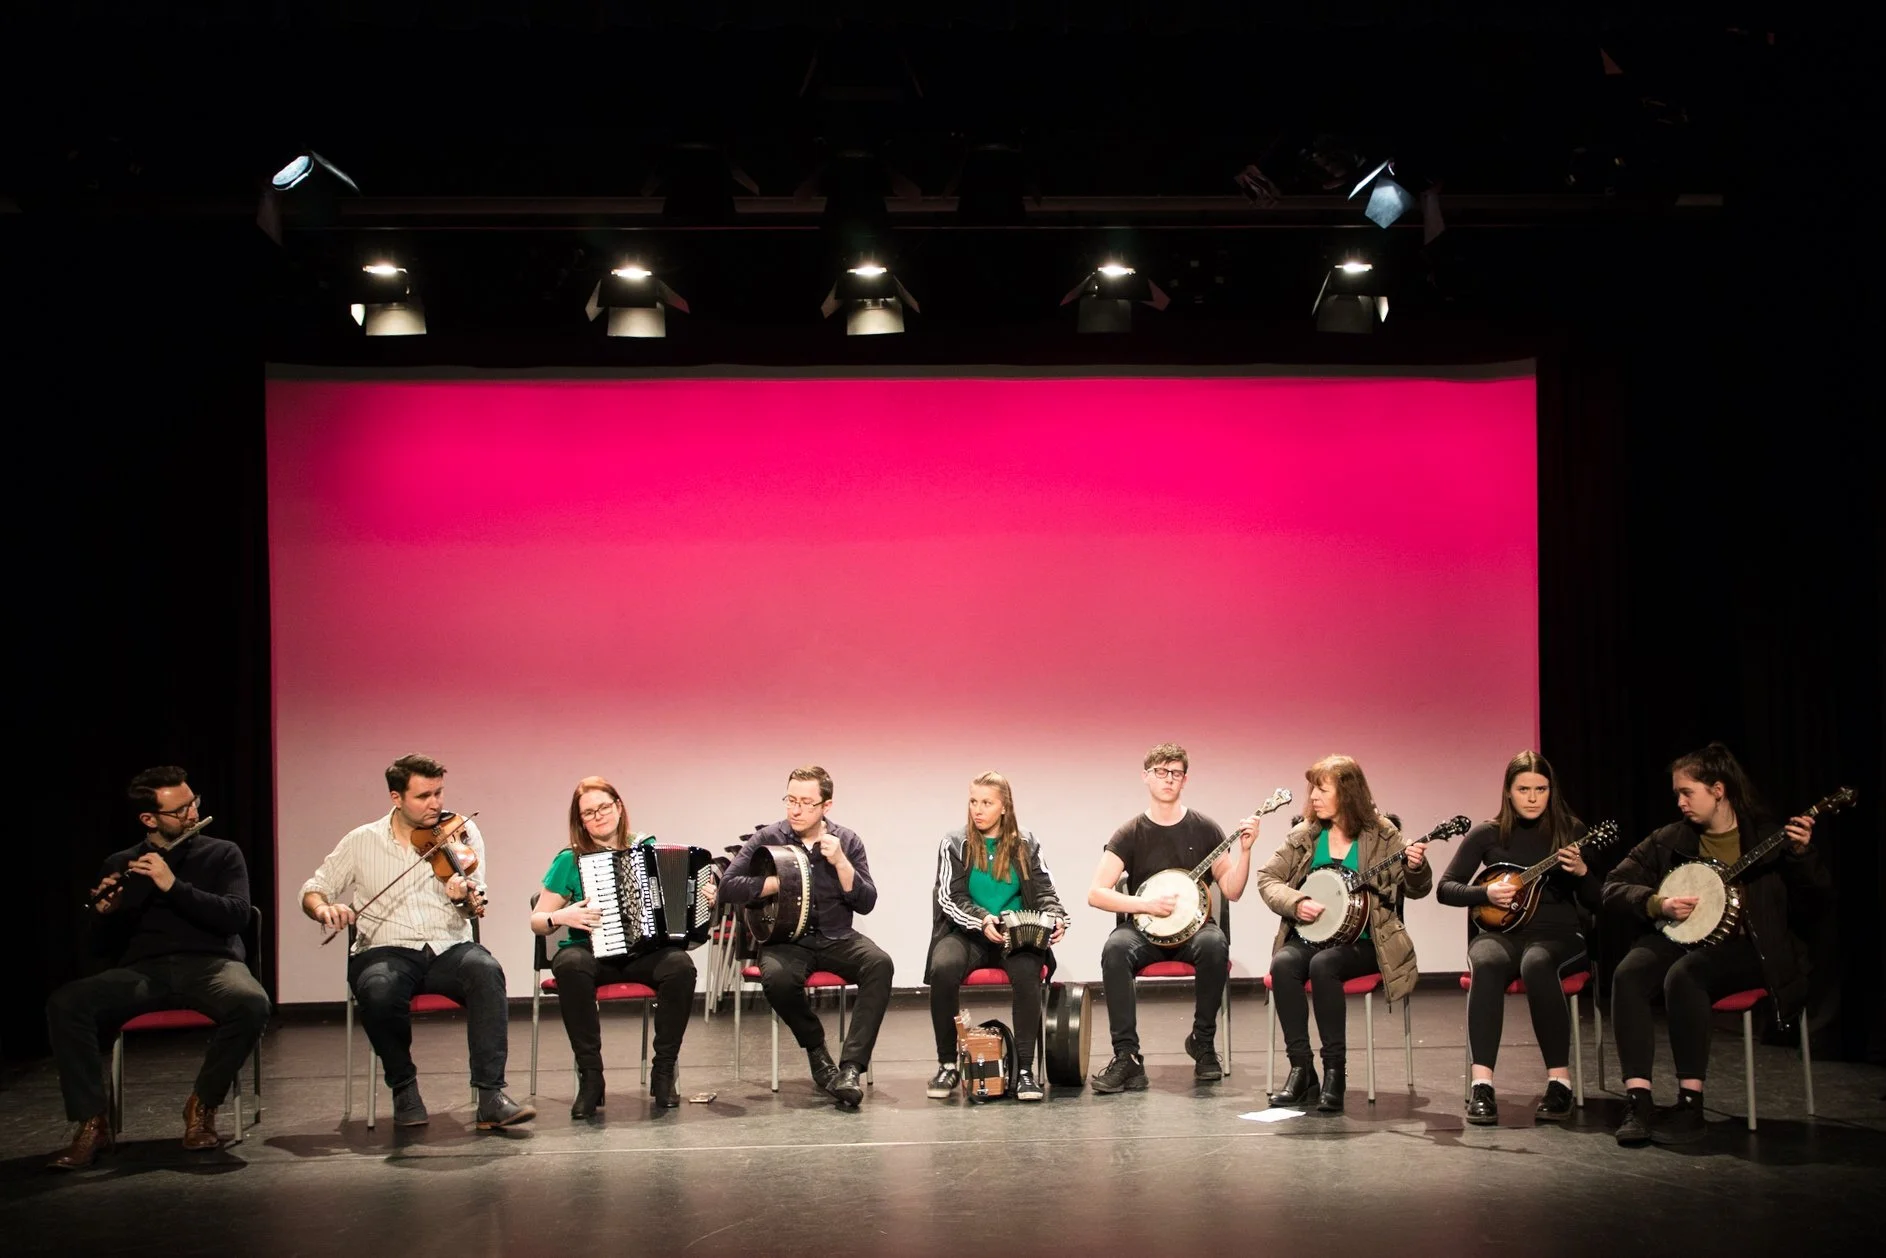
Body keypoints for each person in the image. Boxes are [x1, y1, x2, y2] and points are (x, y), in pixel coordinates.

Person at [45, 767, 271, 1169]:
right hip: (144, 972)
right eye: (179, 810)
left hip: (211, 965)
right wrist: (105, 914)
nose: (192, 813)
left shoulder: (222, 853)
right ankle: (92, 1122)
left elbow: (237, 916)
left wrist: (173, 885)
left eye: (193, 803)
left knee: (251, 1002)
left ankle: (202, 1104)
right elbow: (100, 949)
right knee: (67, 1002)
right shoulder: (122, 863)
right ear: (149, 819)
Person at [1603, 742, 1822, 1146]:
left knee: (1686, 975)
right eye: (1677, 794)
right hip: (1683, 937)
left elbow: (1817, 900)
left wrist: (1801, 855)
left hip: (1750, 947)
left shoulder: (1768, 837)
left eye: (1687, 792)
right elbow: (1613, 886)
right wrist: (1657, 903)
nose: (1680, 802)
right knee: (1629, 973)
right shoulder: (1670, 839)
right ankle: (1638, 1101)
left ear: (1718, 790)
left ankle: (1690, 1105)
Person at [300, 754, 533, 1129]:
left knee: (487, 971)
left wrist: (461, 896)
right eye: (424, 796)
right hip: (385, 950)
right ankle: (404, 1087)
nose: (435, 804)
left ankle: (491, 1096)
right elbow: (315, 889)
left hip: (449, 947)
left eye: (439, 793)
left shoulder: (461, 832)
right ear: (396, 797)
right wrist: (323, 909)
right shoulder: (361, 841)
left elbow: (474, 904)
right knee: (378, 989)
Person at [1256, 754, 1430, 1112]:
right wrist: (1296, 902)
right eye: (1313, 790)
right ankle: (1302, 1070)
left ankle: (1335, 1072)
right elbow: (1267, 878)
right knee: (1284, 963)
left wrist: (1416, 867)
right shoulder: (1306, 834)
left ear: (1347, 793)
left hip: (1367, 941)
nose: (1313, 797)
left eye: (1322, 790)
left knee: (1324, 965)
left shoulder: (1382, 834)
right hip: (1313, 936)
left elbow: (1416, 888)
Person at [531, 776, 714, 1114]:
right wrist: (562, 916)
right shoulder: (569, 859)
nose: (598, 816)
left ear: (618, 807)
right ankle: (591, 1078)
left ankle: (664, 1072)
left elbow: (678, 901)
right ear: (580, 821)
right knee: (569, 964)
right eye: (589, 813)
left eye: (603, 807)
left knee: (680, 967)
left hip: (643, 952)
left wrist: (704, 898)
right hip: (591, 952)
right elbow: (538, 920)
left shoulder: (647, 847)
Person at [1438, 751, 1600, 1124]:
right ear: (1508, 792)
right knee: (1486, 961)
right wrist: (1485, 894)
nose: (1532, 798)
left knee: (1537, 962)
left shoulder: (1571, 832)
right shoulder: (1488, 834)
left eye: (1540, 789)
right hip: (1501, 934)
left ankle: (1559, 1083)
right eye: (1523, 789)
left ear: (1551, 791)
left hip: (1559, 936)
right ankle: (1482, 1086)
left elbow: (1597, 899)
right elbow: (1446, 889)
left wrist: (1582, 871)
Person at [718, 765, 891, 1108]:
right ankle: (817, 1051)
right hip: (786, 940)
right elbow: (727, 887)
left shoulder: (847, 841)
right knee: (778, 979)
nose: (795, 810)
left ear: (826, 806)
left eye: (806, 803)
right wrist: (773, 883)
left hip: (836, 936)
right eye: (790, 800)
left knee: (880, 964)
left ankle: (850, 1068)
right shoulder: (768, 838)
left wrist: (841, 862)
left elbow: (867, 902)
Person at [1086, 742, 1254, 1093]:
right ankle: (1127, 1058)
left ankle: (1202, 1042)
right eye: (1160, 772)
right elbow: (1096, 893)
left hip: (1194, 929)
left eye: (1176, 773)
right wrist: (1145, 905)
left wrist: (1246, 851)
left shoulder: (1205, 829)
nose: (1168, 779)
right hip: (1145, 932)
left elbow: (1233, 890)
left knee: (1215, 944)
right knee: (1116, 949)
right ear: (1146, 777)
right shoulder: (1130, 832)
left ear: (1185, 780)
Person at [925, 772, 1069, 1102]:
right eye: (973, 801)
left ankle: (1024, 1071)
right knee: (943, 968)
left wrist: (1057, 918)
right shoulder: (954, 842)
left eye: (986, 803)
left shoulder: (1026, 842)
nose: (977, 809)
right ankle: (947, 1064)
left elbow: (1045, 891)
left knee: (1028, 971)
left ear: (1004, 807)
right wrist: (981, 919)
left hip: (1014, 932)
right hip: (967, 932)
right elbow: (949, 897)